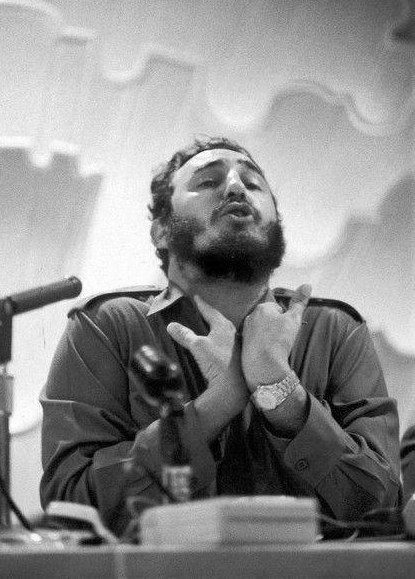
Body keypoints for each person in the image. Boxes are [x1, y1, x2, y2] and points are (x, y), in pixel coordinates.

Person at [40, 136, 400, 537]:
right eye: (208, 182)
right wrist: (217, 405)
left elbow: (381, 508)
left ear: (276, 224)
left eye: (253, 182)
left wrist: (280, 391)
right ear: (161, 231)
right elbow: (71, 506)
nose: (235, 187)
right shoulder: (108, 326)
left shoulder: (335, 329)